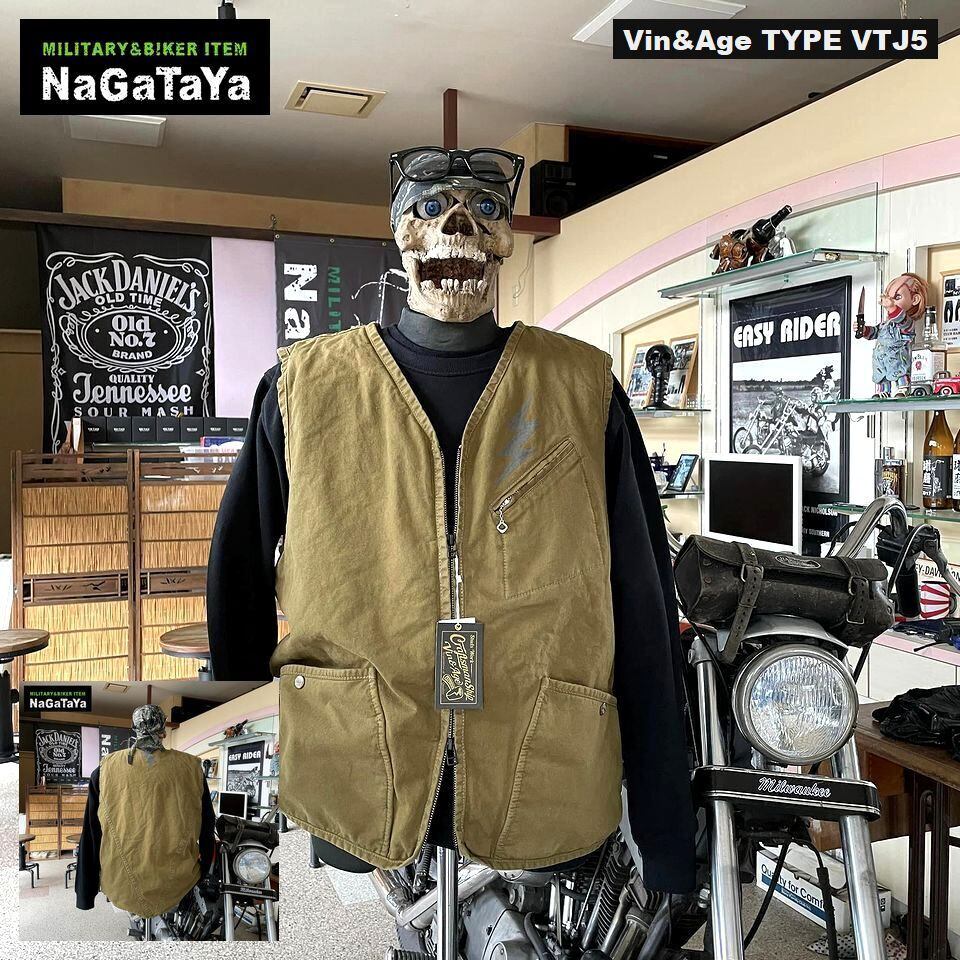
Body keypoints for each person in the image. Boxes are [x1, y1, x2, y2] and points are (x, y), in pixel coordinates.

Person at [207, 146, 696, 893]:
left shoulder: (581, 389)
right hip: (358, 752)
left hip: (541, 756)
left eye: (486, 210)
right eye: (431, 209)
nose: (458, 225)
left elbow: (640, 595)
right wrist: (238, 781)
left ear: (507, 238)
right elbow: (237, 581)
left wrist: (664, 824)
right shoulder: (304, 389)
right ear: (400, 231)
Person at [76, 704, 215, 918]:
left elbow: (91, 833)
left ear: (134, 728)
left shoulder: (105, 769)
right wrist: (205, 868)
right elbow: (207, 823)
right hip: (177, 879)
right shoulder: (192, 767)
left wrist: (86, 892)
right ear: (163, 729)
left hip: (121, 879)